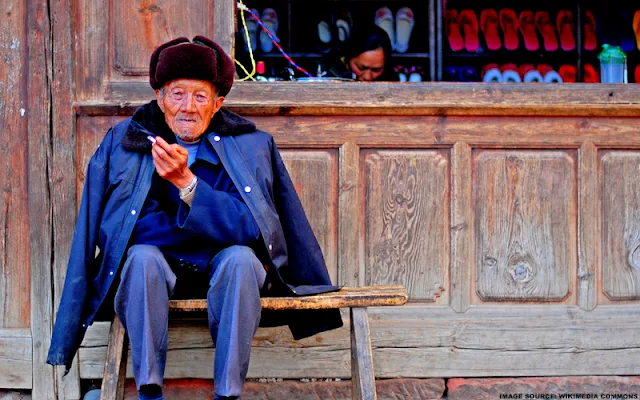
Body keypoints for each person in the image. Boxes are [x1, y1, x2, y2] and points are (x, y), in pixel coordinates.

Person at [46, 35, 343, 400]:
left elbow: (251, 228)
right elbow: (123, 231)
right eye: (177, 94)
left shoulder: (251, 145)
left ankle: (228, 394)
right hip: (155, 275)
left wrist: (188, 186)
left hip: (227, 274)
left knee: (241, 260)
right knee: (141, 257)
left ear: (217, 104)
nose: (188, 107)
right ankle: (149, 391)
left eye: (201, 96)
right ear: (160, 99)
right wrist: (211, 226)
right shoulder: (124, 143)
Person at [323, 21, 398, 82]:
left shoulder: (391, 79)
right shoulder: (327, 73)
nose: (367, 77)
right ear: (348, 57)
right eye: (361, 68)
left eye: (376, 70)